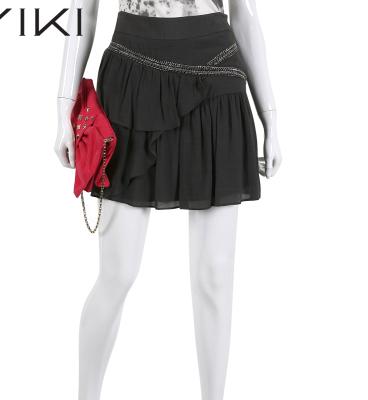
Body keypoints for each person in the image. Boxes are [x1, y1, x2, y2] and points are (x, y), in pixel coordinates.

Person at [55, 1, 282, 399]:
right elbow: (82, 11)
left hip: (216, 77)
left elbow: (244, 13)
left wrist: (272, 117)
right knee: (117, 273)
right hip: (131, 78)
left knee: (215, 274)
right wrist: (63, 107)